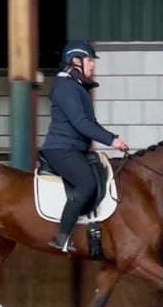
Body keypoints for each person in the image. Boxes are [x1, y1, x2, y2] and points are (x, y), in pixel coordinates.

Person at [39, 39, 130, 253]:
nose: (93, 65)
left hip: (74, 149)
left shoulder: (76, 87)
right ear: (75, 61)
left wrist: (111, 137)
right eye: (90, 60)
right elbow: (81, 123)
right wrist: (112, 140)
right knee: (87, 183)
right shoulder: (66, 87)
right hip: (61, 149)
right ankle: (61, 236)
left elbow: (92, 123)